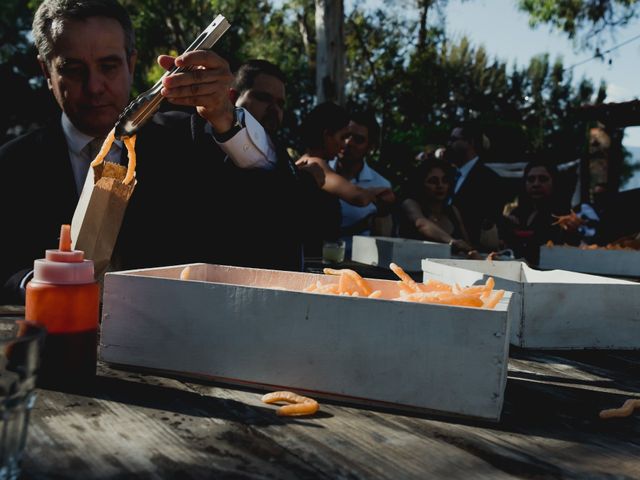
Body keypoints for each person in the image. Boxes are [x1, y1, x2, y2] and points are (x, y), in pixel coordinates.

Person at [0, 0, 291, 304]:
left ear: (132, 64)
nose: (95, 86)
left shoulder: (187, 142)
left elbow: (273, 193)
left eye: (108, 66)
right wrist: (33, 283)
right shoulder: (12, 166)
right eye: (73, 70)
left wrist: (226, 118)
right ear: (46, 71)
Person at [295, 102, 393, 256]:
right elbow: (358, 197)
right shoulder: (315, 164)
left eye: (357, 139)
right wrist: (378, 192)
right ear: (327, 136)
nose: (345, 144)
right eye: (343, 137)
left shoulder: (310, 163)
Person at [328, 110, 395, 246]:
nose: (348, 143)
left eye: (358, 139)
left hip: (359, 262)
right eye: (345, 135)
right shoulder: (321, 170)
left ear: (371, 147)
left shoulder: (382, 185)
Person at [501, 157, 578, 265]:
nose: (536, 184)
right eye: (531, 179)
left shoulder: (563, 217)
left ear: (554, 182)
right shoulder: (516, 213)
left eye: (543, 179)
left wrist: (572, 232)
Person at [446, 122, 507, 250]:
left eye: (453, 140)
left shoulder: (490, 180)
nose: (449, 144)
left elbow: (489, 222)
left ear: (470, 142)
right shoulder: (449, 176)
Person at [398, 158, 476, 255]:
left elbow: (467, 246)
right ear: (420, 184)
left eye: (445, 180)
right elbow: (421, 223)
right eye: (433, 181)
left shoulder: (452, 210)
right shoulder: (410, 204)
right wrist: (452, 241)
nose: (440, 185)